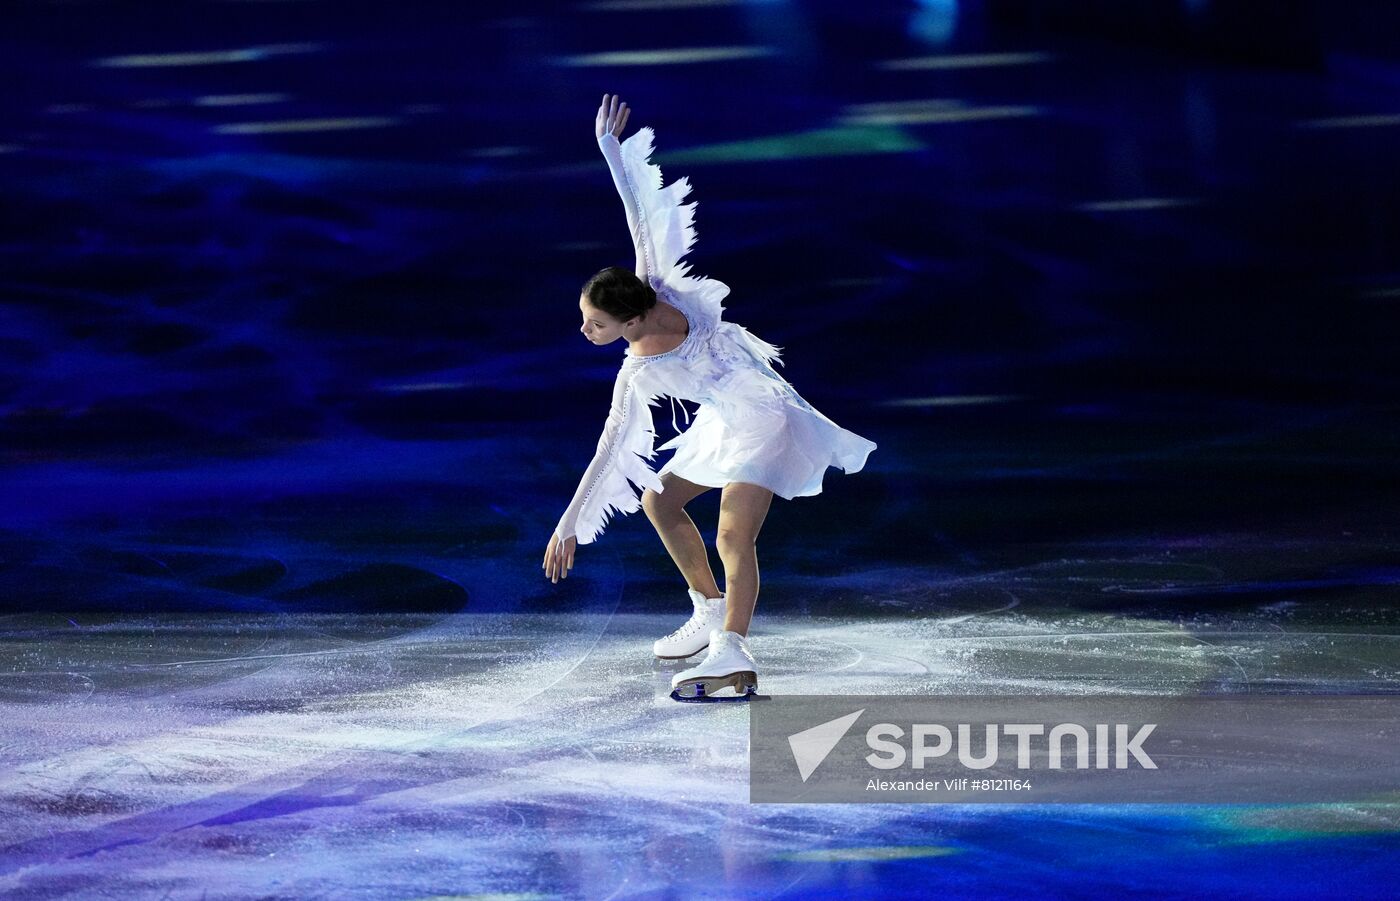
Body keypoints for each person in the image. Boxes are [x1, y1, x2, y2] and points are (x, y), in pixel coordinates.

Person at [542, 94, 877, 702]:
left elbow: (643, 214)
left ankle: (733, 647)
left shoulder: (659, 291)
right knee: (659, 501)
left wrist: (614, 152)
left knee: (732, 537)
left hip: (764, 413)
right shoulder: (635, 366)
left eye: (595, 323)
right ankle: (707, 608)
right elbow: (607, 454)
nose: (586, 331)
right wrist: (608, 148)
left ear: (627, 318)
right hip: (727, 416)